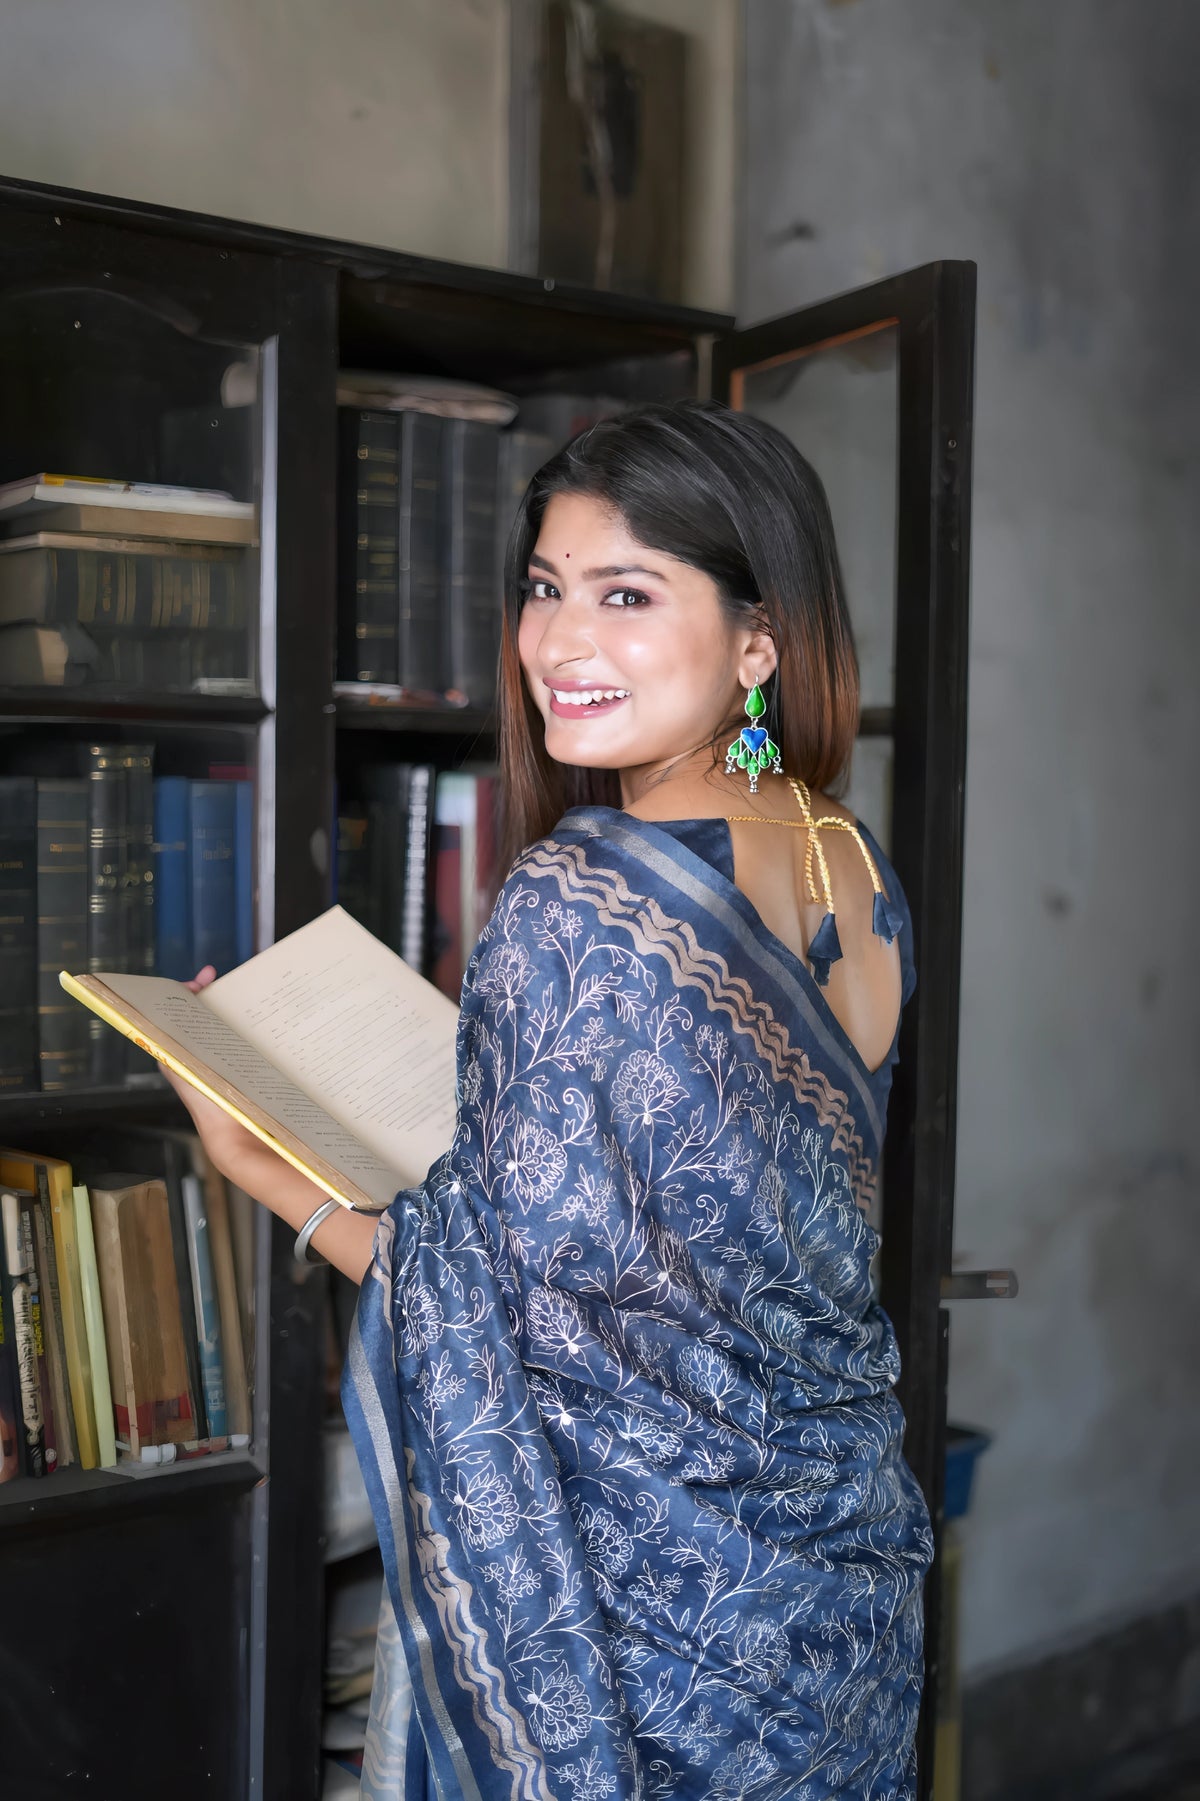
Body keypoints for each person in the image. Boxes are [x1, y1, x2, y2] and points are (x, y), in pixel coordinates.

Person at [172, 399, 934, 1800]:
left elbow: (502, 1330)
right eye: (544, 589)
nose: (559, 644)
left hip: (659, 1656)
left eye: (627, 594)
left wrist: (264, 1164)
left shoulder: (580, 897)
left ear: (758, 640)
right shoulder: (850, 858)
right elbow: (699, 1247)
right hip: (844, 1619)